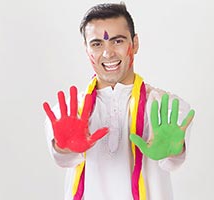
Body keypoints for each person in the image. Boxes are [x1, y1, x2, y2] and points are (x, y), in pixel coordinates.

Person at [43, 3, 195, 200]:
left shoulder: (164, 108)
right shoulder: (68, 114)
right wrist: (64, 147)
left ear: (135, 43)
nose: (108, 53)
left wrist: (173, 150)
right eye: (97, 44)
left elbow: (173, 160)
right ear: (86, 48)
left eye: (117, 41)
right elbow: (64, 159)